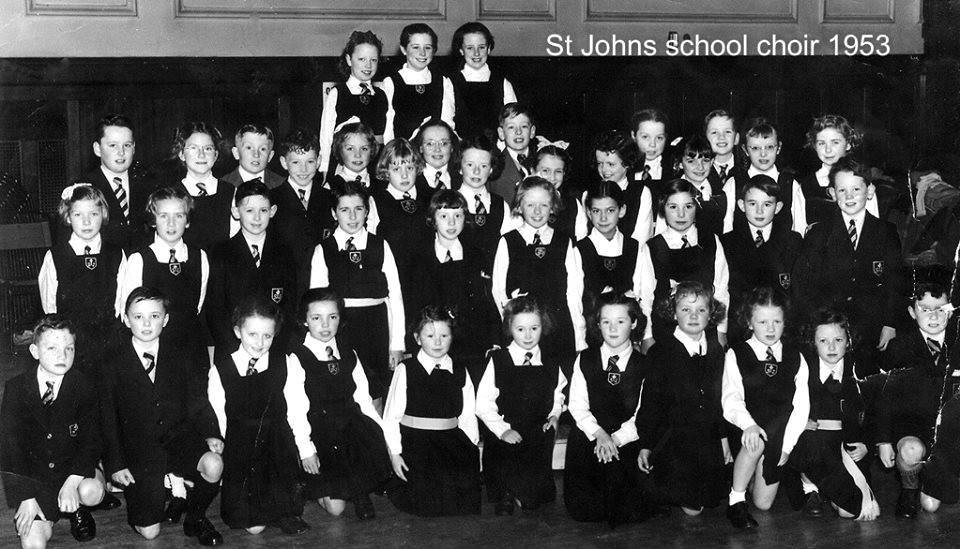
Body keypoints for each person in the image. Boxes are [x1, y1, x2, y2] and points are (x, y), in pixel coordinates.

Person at [100, 287, 224, 545]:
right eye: (138, 317)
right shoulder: (112, 363)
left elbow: (197, 399)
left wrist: (211, 432)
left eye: (155, 316)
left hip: (177, 437)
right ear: (126, 319)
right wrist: (116, 463)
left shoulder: (181, 354)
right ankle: (169, 487)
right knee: (150, 532)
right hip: (140, 450)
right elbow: (108, 418)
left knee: (213, 464)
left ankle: (196, 516)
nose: (147, 324)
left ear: (165, 320)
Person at [284, 288, 393, 520]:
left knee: (362, 442)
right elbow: (296, 409)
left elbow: (363, 399)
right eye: (316, 318)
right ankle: (313, 486)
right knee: (336, 510)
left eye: (332, 317)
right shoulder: (297, 357)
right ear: (304, 321)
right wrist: (306, 449)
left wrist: (384, 437)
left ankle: (359, 491)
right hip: (320, 432)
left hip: (350, 427)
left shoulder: (349, 352)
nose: (325, 325)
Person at [793, 156, 905, 374]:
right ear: (833, 194)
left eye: (856, 189)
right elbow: (802, 282)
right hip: (829, 329)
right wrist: (816, 324)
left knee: (867, 382)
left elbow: (896, 282)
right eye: (842, 191)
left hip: (871, 328)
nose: (850, 196)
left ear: (870, 191)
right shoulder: (818, 233)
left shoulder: (886, 232)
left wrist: (890, 324)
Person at [0, 315, 104, 548]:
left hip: (74, 469)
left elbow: (93, 440)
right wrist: (25, 497)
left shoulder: (84, 385)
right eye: (52, 348)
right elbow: (10, 448)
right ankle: (51, 511)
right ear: (35, 351)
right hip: (37, 478)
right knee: (32, 543)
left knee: (91, 491)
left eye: (69, 348)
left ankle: (78, 508)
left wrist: (72, 482)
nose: (62, 355)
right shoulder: (16, 388)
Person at [208, 296, 308, 535]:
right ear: (237, 331)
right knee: (254, 528)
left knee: (282, 497)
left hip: (276, 443)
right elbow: (218, 413)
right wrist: (219, 447)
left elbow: (297, 406)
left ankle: (284, 512)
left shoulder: (285, 363)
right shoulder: (221, 368)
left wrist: (305, 446)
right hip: (241, 447)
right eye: (252, 334)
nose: (260, 342)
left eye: (268, 336)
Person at [637, 281, 731, 516]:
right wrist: (646, 444)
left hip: (706, 435)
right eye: (685, 309)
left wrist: (723, 438)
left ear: (711, 314)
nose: (693, 316)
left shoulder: (715, 351)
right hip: (674, 438)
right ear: (673, 312)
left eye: (701, 310)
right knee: (691, 507)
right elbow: (650, 403)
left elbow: (718, 400)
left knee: (708, 499)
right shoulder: (661, 353)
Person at [309, 180, 405, 406]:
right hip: (342, 327)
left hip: (377, 327)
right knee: (347, 388)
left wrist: (397, 342)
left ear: (367, 212)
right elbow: (317, 300)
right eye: (344, 210)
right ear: (334, 213)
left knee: (378, 391)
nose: (352, 216)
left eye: (358, 209)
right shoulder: (324, 249)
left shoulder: (381, 245)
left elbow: (396, 295)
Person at [721, 286, 810, 529]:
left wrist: (786, 446)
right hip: (747, 429)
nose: (770, 329)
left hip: (779, 434)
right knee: (755, 441)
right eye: (762, 322)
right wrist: (748, 424)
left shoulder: (795, 356)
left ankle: (749, 478)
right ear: (749, 322)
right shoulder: (736, 354)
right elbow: (731, 398)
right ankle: (736, 501)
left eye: (776, 321)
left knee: (763, 504)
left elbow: (802, 406)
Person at [383, 306, 481, 516]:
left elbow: (467, 414)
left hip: (450, 441)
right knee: (428, 503)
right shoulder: (406, 369)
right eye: (430, 335)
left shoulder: (459, 370)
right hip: (417, 445)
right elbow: (391, 416)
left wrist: (471, 448)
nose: (437, 342)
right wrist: (395, 454)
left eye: (444, 335)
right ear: (418, 338)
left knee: (462, 502)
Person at [476, 296, 566, 515]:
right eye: (520, 329)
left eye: (534, 328)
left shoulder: (551, 363)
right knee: (506, 473)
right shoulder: (498, 360)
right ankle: (506, 492)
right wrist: (502, 429)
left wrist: (554, 416)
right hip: (506, 432)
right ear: (510, 328)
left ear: (542, 327)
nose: (527, 336)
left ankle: (526, 492)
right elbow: (483, 404)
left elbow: (558, 395)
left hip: (536, 434)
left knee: (536, 499)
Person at [786, 307, 879, 520]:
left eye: (838, 340)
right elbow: (782, 402)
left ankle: (832, 489)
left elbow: (875, 411)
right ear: (813, 342)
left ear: (848, 341)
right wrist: (798, 420)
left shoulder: (861, 369)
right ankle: (810, 489)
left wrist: (867, 445)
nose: (831, 347)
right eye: (823, 341)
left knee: (850, 511)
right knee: (808, 445)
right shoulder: (802, 367)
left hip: (846, 446)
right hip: (812, 445)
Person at [564, 292, 648, 527]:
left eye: (620, 322)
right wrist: (600, 435)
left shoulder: (644, 365)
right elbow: (577, 406)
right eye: (606, 322)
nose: (612, 329)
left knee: (626, 510)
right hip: (591, 436)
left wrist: (615, 440)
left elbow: (642, 414)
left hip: (625, 440)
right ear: (597, 324)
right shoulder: (585, 360)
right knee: (584, 511)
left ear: (634, 323)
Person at [877, 281, 957, 518]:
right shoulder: (898, 348)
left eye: (941, 309)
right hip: (912, 426)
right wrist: (883, 441)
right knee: (911, 451)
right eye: (924, 308)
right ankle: (909, 488)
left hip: (948, 431)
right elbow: (885, 397)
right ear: (912, 312)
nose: (933, 316)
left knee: (932, 505)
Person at [492, 176, 587, 373]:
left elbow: (574, 291)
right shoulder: (508, 241)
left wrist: (579, 334)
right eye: (530, 205)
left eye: (543, 205)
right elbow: (499, 291)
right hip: (523, 331)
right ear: (519, 207)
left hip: (559, 328)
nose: (537, 211)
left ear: (552, 207)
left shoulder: (564, 241)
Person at [408, 190, 500, 383]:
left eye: (457, 216)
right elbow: (414, 304)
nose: (451, 223)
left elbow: (487, 300)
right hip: (436, 343)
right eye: (444, 216)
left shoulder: (476, 255)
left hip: (471, 342)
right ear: (433, 219)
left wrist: (495, 339)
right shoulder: (420, 258)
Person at [119, 185, 209, 372]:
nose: (171, 223)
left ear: (187, 221)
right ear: (153, 220)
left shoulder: (200, 257)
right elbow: (126, 311)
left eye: (179, 216)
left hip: (191, 349)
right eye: (163, 216)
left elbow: (197, 305)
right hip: (154, 349)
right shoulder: (139, 260)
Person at [38, 183, 125, 376]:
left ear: (102, 215)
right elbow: (49, 303)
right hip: (70, 339)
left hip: (107, 339)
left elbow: (122, 300)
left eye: (93, 214)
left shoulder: (116, 254)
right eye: (78, 215)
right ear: (68, 217)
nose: (86, 222)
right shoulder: (55, 256)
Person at [637, 178, 730, 351]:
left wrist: (721, 330)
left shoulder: (711, 241)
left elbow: (721, 288)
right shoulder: (653, 247)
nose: (681, 214)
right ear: (663, 209)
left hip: (705, 328)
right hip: (666, 331)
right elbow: (647, 297)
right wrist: (647, 336)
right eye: (673, 207)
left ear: (696, 207)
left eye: (688, 207)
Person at [206, 180, 298, 352]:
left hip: (273, 348)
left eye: (263, 210)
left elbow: (290, 305)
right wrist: (235, 350)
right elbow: (215, 309)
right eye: (249, 210)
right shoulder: (220, 252)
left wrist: (276, 346)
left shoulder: (284, 251)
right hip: (233, 350)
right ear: (236, 212)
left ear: (272, 211)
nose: (257, 218)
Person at [368, 138, 434, 349]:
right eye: (396, 168)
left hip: (425, 280)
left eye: (409, 167)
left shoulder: (430, 198)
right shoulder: (376, 201)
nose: (404, 175)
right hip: (395, 281)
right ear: (386, 171)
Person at [721, 175, 802, 344]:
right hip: (740, 330)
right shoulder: (727, 243)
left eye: (767, 204)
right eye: (752, 204)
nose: (759, 211)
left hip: (781, 330)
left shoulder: (792, 241)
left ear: (778, 207)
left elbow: (796, 293)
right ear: (741, 205)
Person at [270, 129, 337, 303]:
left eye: (310, 161)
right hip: (285, 290)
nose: (304, 169)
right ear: (284, 163)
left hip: (323, 289)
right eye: (296, 162)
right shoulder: (271, 199)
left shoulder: (330, 198)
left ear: (319, 161)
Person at [319, 30, 388, 175]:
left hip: (375, 166)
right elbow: (326, 135)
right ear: (349, 60)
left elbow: (386, 135)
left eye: (373, 60)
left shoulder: (381, 95)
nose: (368, 65)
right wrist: (325, 168)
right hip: (344, 167)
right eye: (362, 59)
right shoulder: (337, 93)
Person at [722, 117, 806, 235]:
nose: (763, 154)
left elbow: (799, 228)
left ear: (779, 148)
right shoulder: (734, 183)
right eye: (755, 148)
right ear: (745, 149)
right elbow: (726, 227)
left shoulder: (791, 184)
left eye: (769, 147)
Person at [79, 113, 151, 250]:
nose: (121, 152)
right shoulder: (84, 187)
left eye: (127, 145)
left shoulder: (148, 183)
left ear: (134, 147)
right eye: (113, 145)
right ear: (97, 149)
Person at [576, 182, 642, 330]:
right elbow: (575, 299)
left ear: (622, 210)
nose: (603, 218)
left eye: (610, 210)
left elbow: (641, 292)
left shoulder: (634, 247)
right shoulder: (579, 249)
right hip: (591, 330)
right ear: (588, 212)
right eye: (596, 211)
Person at [382, 23, 455, 143]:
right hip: (403, 153)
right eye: (416, 47)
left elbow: (447, 123)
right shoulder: (391, 83)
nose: (422, 53)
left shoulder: (442, 81)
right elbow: (388, 126)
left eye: (428, 47)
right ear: (404, 49)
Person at [170, 121, 237, 251]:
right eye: (193, 148)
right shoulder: (172, 194)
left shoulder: (230, 191)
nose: (201, 154)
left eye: (208, 148)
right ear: (182, 154)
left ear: (216, 155)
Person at [799, 114, 876, 225]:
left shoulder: (862, 182)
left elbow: (874, 227)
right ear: (814, 146)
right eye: (821, 143)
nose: (828, 149)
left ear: (848, 144)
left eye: (835, 142)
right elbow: (799, 228)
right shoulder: (806, 186)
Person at [457, 133, 518, 273]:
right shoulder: (451, 202)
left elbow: (511, 247)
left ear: (491, 169)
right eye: (470, 164)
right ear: (460, 167)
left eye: (483, 166)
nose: (476, 171)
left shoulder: (500, 205)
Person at [449, 21, 518, 140]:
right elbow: (447, 123)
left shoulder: (502, 83)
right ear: (461, 50)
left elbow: (513, 120)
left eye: (481, 47)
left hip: (496, 148)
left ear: (489, 48)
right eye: (470, 48)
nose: (476, 53)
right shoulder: (450, 82)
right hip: (463, 149)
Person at [591, 129, 653, 243]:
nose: (604, 170)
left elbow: (642, 237)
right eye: (600, 163)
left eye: (611, 164)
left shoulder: (641, 193)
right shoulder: (589, 193)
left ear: (627, 164)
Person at [534, 144, 587, 240]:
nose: (552, 177)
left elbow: (581, 238)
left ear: (564, 173)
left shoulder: (573, 204)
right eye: (546, 170)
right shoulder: (523, 202)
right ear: (533, 170)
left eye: (558, 171)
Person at [488, 102, 537, 204]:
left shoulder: (541, 161)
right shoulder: (494, 167)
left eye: (524, 126)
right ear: (501, 133)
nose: (518, 132)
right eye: (511, 127)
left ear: (532, 131)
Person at [221, 123, 285, 189]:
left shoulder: (282, 185)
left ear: (270, 156)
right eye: (249, 148)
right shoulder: (222, 186)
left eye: (263, 149)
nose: (256, 155)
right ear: (236, 153)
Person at [412, 118, 461, 190]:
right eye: (430, 144)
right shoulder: (411, 181)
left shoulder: (462, 180)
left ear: (452, 148)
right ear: (421, 148)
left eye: (444, 143)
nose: (437, 149)